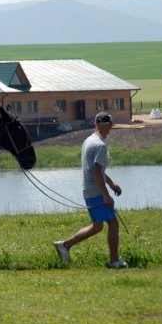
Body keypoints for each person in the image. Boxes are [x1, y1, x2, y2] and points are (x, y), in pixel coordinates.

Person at [53, 112, 127, 269]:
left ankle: (65, 246)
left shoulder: (89, 141)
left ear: (95, 124)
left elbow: (96, 170)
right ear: (111, 125)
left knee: (98, 225)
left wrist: (111, 183)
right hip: (95, 191)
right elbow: (96, 172)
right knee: (113, 223)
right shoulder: (100, 145)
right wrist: (106, 195)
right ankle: (114, 261)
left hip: (88, 190)